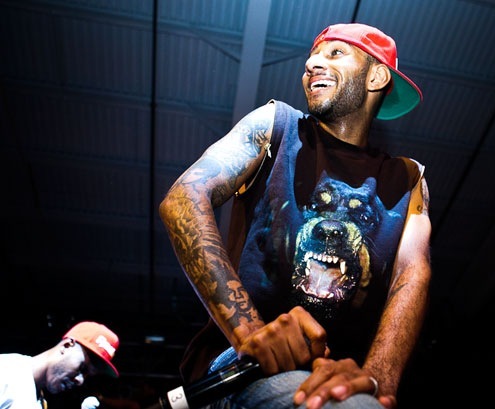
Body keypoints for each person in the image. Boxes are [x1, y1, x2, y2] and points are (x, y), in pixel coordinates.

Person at [159, 22, 431, 409]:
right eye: (312, 56)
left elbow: (412, 273)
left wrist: (379, 381)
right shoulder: (276, 125)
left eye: (335, 53)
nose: (312, 64)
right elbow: (184, 197)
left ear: (376, 77)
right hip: (239, 367)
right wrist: (250, 334)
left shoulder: (409, 178)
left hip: (333, 376)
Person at [0, 321, 120, 408]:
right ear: (67, 345)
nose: (80, 381)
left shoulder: (39, 400)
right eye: (82, 368)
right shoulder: (6, 372)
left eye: (87, 375)